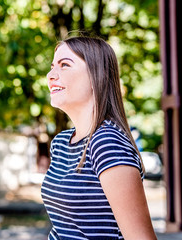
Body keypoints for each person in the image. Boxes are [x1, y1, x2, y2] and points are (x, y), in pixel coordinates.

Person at [41, 35, 157, 240]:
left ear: (97, 76)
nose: (51, 75)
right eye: (52, 66)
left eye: (64, 65)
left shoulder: (107, 143)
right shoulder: (60, 143)